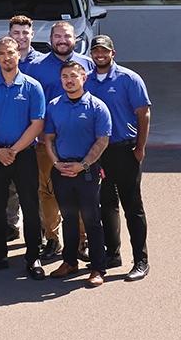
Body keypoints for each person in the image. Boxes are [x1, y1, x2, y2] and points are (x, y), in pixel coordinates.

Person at [0, 37, 47, 279]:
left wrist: (14, 150)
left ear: (19, 55)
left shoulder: (32, 86)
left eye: (11, 52)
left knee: (30, 205)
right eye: (2, 54)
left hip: (23, 154)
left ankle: (33, 256)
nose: (7, 57)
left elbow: (37, 124)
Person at [25, 21, 95, 259]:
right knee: (47, 191)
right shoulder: (37, 66)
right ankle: (52, 239)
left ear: (75, 38)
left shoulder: (88, 64)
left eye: (66, 36)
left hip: (81, 142)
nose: (62, 40)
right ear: (50, 39)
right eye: (57, 36)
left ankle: (81, 242)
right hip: (47, 143)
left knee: (82, 193)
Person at [85, 35, 150, 281]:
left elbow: (143, 114)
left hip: (125, 149)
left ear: (113, 53)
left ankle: (141, 260)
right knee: (106, 204)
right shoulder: (87, 80)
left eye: (104, 51)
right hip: (99, 153)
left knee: (132, 207)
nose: (99, 55)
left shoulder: (129, 78)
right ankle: (112, 254)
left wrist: (140, 147)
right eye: (95, 51)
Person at [44, 60, 111, 287]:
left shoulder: (97, 106)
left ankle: (97, 268)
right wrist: (56, 163)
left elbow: (102, 140)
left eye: (74, 76)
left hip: (87, 171)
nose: (69, 80)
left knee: (91, 219)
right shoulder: (54, 105)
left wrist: (83, 165)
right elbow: (48, 138)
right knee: (69, 218)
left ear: (83, 78)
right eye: (65, 77)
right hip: (61, 170)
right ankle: (69, 261)